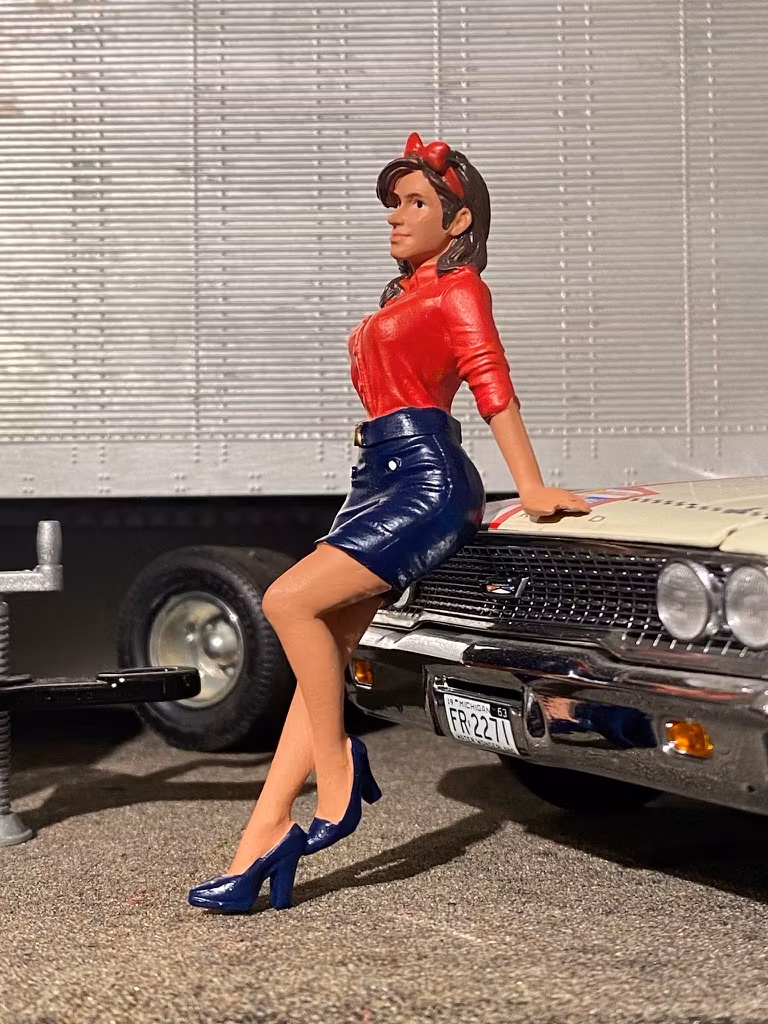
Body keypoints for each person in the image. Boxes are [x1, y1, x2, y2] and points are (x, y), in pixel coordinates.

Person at [187, 132, 590, 913]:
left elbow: (491, 383)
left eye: (415, 203)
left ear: (457, 219)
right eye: (393, 204)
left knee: (286, 601)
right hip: (373, 477)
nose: (396, 216)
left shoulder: (461, 290)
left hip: (428, 481)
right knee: (322, 663)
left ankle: (338, 772)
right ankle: (260, 842)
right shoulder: (400, 298)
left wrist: (531, 486)